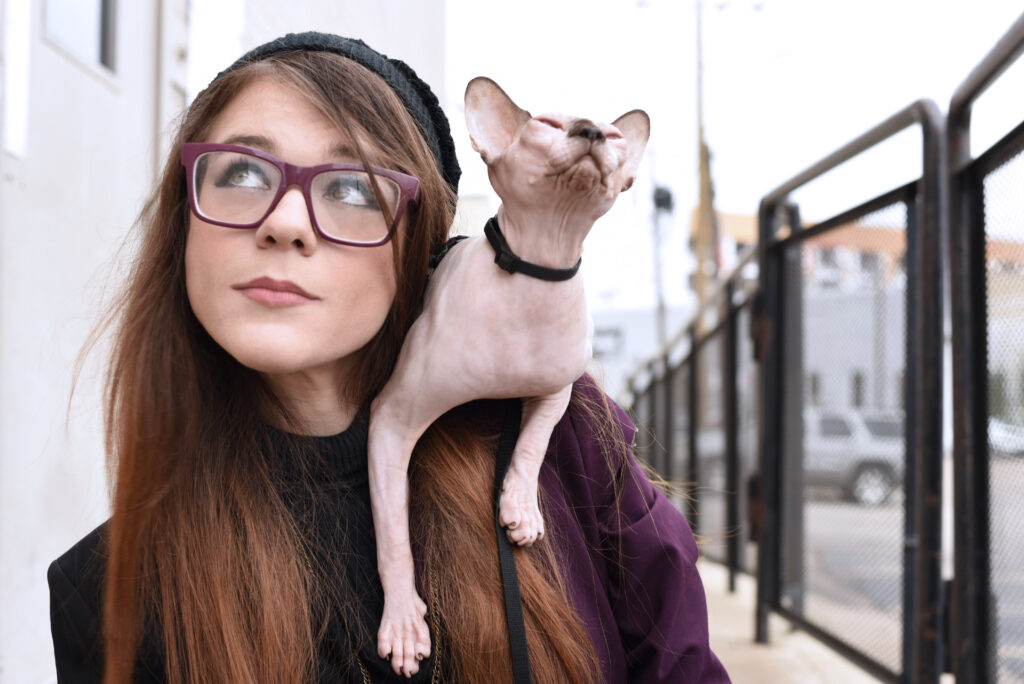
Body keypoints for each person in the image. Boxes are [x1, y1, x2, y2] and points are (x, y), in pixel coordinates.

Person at [47, 32, 730, 683]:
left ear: (420, 245)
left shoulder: (565, 436)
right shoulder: (106, 593)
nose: (283, 222)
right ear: (183, 219)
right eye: (243, 173)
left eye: (351, 188)